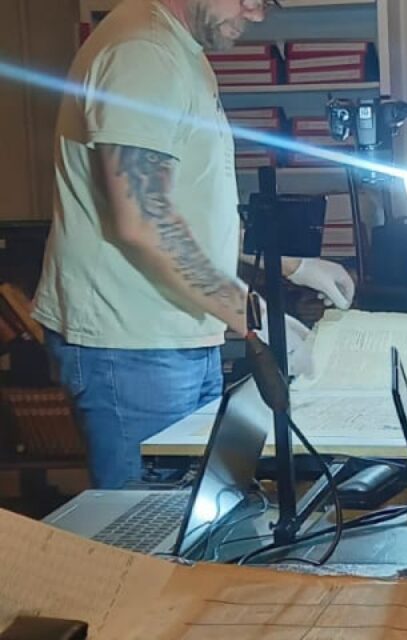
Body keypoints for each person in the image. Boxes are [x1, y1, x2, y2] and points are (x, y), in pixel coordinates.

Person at [32, 0, 355, 490]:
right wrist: (250, 316)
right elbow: (143, 221)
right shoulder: (143, 52)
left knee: (192, 515)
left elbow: (187, 209)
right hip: (133, 344)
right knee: (148, 526)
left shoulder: (181, 51)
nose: (256, 14)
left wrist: (293, 266)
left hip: (174, 335)